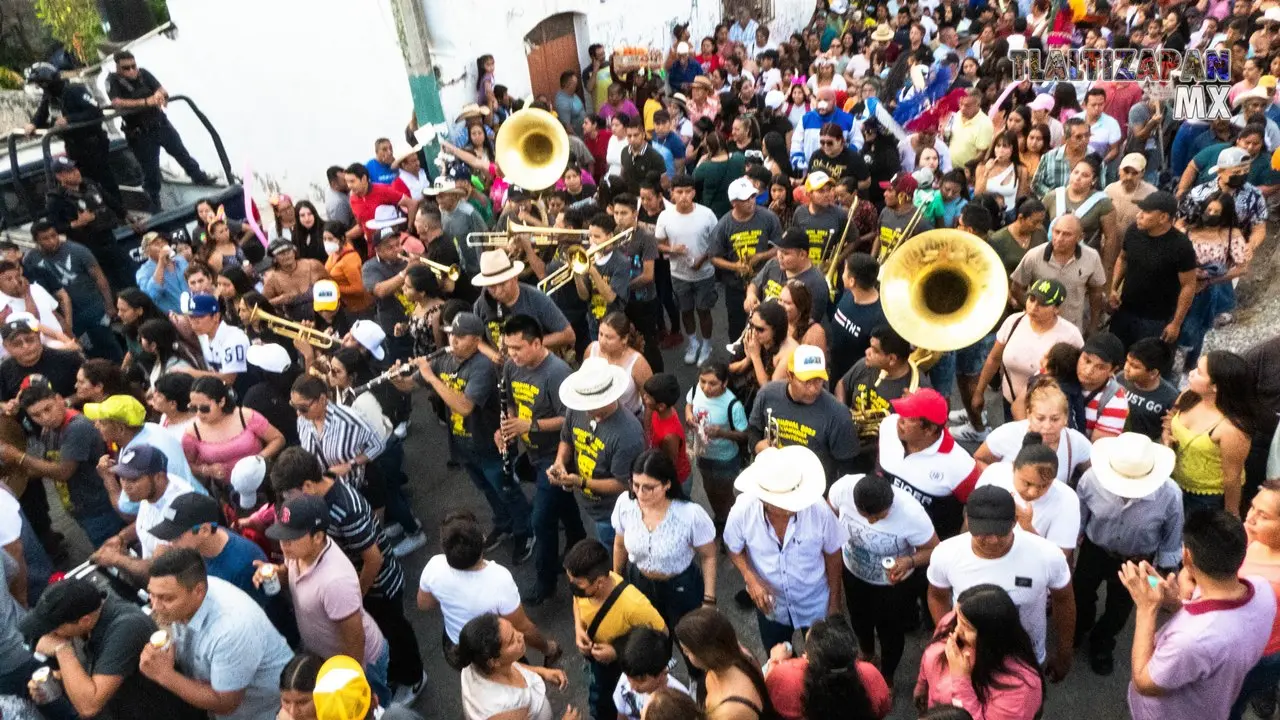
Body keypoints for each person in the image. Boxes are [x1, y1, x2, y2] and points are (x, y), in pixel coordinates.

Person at [269, 448, 426, 700]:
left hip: (378, 584)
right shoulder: (311, 506)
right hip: (354, 583)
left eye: (289, 493)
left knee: (395, 634)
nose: (286, 499)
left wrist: (357, 597)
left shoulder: (345, 507)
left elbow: (374, 559)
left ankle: (414, 678)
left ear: (308, 485)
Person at [1122, 510, 1277, 720]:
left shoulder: (1191, 641)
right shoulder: (1262, 590)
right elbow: (1209, 614)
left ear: (1186, 556)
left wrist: (1146, 608)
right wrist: (1175, 601)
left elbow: (1143, 683)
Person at [417, 311, 534, 561]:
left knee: (506, 489)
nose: (453, 342)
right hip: (463, 445)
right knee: (487, 489)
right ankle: (504, 523)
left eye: (460, 337)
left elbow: (464, 406)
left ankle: (526, 530)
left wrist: (431, 378)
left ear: (476, 339)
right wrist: (400, 376)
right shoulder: (447, 359)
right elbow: (411, 383)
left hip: (489, 445)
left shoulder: (482, 366)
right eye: (451, 336)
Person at [927, 486, 1075, 678]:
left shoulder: (1047, 555)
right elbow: (937, 596)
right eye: (984, 532)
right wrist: (948, 642)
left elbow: (1064, 600)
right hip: (969, 656)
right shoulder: (945, 554)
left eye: (1001, 531)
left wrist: (1064, 652)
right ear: (967, 521)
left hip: (1025, 656)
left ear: (1014, 522)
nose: (993, 540)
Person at [261, 495, 392, 707]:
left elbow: (354, 640)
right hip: (329, 657)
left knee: (373, 708)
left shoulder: (335, 581)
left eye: (291, 538)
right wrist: (275, 574)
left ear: (318, 537)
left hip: (362, 664)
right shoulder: (298, 553)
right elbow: (289, 574)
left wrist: (351, 682)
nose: (284, 545)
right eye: (282, 537)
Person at [1074, 432, 1185, 676]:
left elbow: (1171, 538)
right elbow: (1080, 515)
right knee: (1081, 593)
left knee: (1120, 608)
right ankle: (1079, 626)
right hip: (1095, 549)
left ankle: (1102, 642)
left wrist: (1164, 574)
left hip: (1137, 561)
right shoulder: (1091, 479)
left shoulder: (1170, 495)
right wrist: (1073, 542)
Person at [18, 577, 203, 720]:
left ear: (84, 620)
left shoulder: (126, 627)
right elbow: (91, 674)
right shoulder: (89, 616)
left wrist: (62, 649)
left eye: (56, 627)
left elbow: (89, 705)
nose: (51, 634)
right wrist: (56, 680)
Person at [141, 548, 292, 720]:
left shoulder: (231, 629)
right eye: (152, 595)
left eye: (166, 598)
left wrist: (164, 675)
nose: (155, 606)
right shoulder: (189, 591)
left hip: (262, 712)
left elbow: (225, 703)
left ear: (198, 591)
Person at [496, 315, 582, 604]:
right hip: (532, 451)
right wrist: (507, 426)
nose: (512, 354)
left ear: (537, 342)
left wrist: (528, 426)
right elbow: (509, 401)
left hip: (556, 454)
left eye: (518, 347)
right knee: (563, 502)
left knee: (541, 519)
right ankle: (578, 538)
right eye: (508, 347)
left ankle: (545, 581)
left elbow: (570, 420)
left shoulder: (557, 372)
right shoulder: (512, 366)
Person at [726, 445, 845, 651]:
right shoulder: (742, 511)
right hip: (772, 606)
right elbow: (733, 547)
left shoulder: (819, 511)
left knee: (820, 659)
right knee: (778, 657)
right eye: (785, 503)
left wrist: (835, 602)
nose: (794, 505)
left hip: (815, 602)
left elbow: (834, 554)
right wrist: (750, 577)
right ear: (765, 500)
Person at [828, 471, 938, 689]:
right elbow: (828, 515)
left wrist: (909, 561)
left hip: (893, 585)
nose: (871, 521)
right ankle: (867, 655)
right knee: (859, 619)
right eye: (865, 515)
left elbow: (935, 549)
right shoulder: (842, 489)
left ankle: (887, 676)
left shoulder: (911, 513)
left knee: (891, 633)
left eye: (878, 517)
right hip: (853, 573)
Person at [418, 509, 557, 671]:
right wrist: (547, 647)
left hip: (457, 648)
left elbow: (424, 604)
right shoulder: (499, 579)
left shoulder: (434, 566)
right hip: (496, 650)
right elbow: (523, 627)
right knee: (520, 680)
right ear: (483, 538)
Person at [612, 449, 716, 642]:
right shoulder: (625, 505)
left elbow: (708, 555)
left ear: (667, 484)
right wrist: (617, 582)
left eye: (649, 487)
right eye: (636, 485)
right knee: (651, 640)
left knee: (692, 641)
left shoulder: (689, 514)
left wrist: (709, 600)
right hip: (640, 583)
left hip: (681, 587)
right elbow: (619, 545)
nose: (640, 494)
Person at [3, 381, 122, 549]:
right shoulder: (48, 430)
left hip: (99, 507)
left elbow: (63, 472)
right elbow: (48, 465)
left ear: (59, 399)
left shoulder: (77, 428)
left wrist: (18, 456)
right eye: (36, 415)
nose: (45, 418)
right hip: (79, 507)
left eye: (47, 409)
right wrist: (12, 473)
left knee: (113, 549)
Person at [564, 538, 667, 720]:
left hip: (620, 667)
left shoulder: (634, 605)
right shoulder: (586, 590)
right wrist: (579, 628)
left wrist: (616, 651)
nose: (573, 587)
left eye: (577, 584)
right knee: (599, 701)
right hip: (598, 662)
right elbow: (577, 601)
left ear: (600, 582)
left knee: (613, 703)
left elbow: (661, 635)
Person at [913, 584, 1045, 720]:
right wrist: (921, 686)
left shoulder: (1020, 688)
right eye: (957, 619)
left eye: (966, 627)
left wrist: (961, 680)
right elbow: (931, 654)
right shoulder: (952, 622)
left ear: (991, 636)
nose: (956, 631)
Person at [552, 358, 646, 548]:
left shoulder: (628, 433)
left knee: (613, 554)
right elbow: (566, 439)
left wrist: (580, 482)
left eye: (592, 405)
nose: (586, 411)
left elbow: (623, 484)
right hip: (587, 504)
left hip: (611, 513)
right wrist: (560, 462)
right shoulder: (578, 409)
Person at [105, 51, 212, 210]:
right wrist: (146, 101)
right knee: (151, 172)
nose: (132, 71)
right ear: (118, 68)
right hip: (140, 133)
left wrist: (160, 96)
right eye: (126, 68)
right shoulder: (113, 81)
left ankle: (201, 179)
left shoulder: (144, 74)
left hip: (160, 124)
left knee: (182, 154)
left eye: (133, 66)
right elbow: (117, 102)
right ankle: (154, 204)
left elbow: (161, 89)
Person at [875, 389, 980, 539]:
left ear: (930, 430)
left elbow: (977, 509)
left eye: (909, 419)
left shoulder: (961, 466)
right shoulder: (889, 425)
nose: (900, 421)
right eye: (901, 412)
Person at [747, 345, 857, 484]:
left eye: (818, 380)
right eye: (806, 381)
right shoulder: (767, 394)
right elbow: (753, 429)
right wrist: (757, 445)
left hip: (812, 488)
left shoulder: (839, 415)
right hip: (773, 477)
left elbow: (845, 466)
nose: (813, 389)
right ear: (790, 375)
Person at [1165, 350, 1255, 516]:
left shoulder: (1232, 429)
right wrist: (1166, 435)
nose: (1190, 373)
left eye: (1199, 372)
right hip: (1173, 480)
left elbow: (1232, 477)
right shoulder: (1189, 395)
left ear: (1215, 386)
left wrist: (1231, 514)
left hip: (1207, 498)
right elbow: (1171, 417)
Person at [22, 62, 121, 210]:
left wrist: (70, 119)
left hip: (93, 145)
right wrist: (33, 124)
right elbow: (42, 113)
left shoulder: (75, 90)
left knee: (105, 182)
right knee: (84, 184)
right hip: (73, 147)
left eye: (40, 83)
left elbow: (95, 112)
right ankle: (97, 213)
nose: (40, 87)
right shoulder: (50, 96)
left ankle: (120, 213)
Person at [1109, 191, 1198, 349]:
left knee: (1147, 362)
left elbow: (1189, 285)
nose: (1139, 215)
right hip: (1125, 310)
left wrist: (1176, 323)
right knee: (1115, 355)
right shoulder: (1134, 231)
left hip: (1157, 320)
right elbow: (1123, 258)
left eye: (1146, 212)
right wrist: (1113, 288)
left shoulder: (1181, 246)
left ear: (1163, 218)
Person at [23, 221, 120, 362]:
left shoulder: (77, 250)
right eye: (45, 238)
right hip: (66, 315)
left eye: (54, 235)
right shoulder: (31, 259)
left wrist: (109, 305)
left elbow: (99, 277)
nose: (52, 241)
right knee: (80, 351)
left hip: (92, 308)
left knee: (108, 343)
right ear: (36, 241)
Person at [763, 616, 893, 720]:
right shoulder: (870, 674)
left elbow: (766, 697)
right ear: (854, 655)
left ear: (806, 658)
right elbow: (884, 708)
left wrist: (773, 660)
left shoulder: (784, 676)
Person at [149, 492, 269, 602]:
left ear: (205, 530)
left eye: (176, 537)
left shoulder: (243, 566)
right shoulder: (198, 547)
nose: (170, 543)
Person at [835, 324, 926, 467]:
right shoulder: (866, 365)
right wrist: (843, 413)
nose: (867, 352)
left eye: (875, 350)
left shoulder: (919, 390)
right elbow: (842, 384)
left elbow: (929, 435)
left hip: (883, 459)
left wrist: (913, 411)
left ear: (891, 359)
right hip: (852, 443)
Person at [976, 434, 1082, 556]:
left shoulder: (1067, 500)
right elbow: (971, 519)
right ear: (1014, 467)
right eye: (1027, 483)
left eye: (1044, 486)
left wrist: (1026, 526)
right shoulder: (994, 473)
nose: (1033, 492)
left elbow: (1059, 557)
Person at [456, 613, 574, 720]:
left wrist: (542, 672)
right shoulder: (503, 710)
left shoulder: (478, 660)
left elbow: (511, 665)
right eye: (512, 641)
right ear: (493, 661)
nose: (521, 636)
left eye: (514, 629)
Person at [975, 380, 1092, 485]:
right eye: (1040, 418)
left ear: (1066, 418)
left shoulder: (1075, 442)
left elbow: (1096, 472)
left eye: (1055, 419)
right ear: (1029, 415)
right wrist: (1000, 486)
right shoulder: (1007, 434)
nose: (1047, 426)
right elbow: (979, 460)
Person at [655, 175, 719, 366]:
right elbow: (659, 244)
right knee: (686, 310)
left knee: (704, 310)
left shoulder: (707, 214)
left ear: (694, 193)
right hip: (679, 274)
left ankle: (707, 345)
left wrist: (703, 259)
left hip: (704, 273)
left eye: (688, 191)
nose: (684, 196)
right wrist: (673, 249)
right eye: (679, 192)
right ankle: (693, 343)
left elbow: (716, 243)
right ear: (672, 194)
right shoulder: (665, 216)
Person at [709, 177, 783, 340]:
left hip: (765, 285)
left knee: (768, 327)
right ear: (734, 203)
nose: (751, 202)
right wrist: (735, 266)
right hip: (736, 287)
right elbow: (713, 257)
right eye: (745, 199)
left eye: (752, 196)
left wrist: (760, 256)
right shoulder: (724, 225)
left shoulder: (769, 218)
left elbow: (779, 247)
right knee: (736, 328)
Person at [1009, 215, 1107, 336]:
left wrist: (1093, 325)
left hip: (1071, 328)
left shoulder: (1091, 258)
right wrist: (1033, 309)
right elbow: (1016, 288)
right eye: (1057, 232)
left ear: (1080, 237)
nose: (1059, 238)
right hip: (1037, 328)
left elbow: (1096, 292)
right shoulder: (1034, 256)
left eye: (1067, 234)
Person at [183, 375, 285, 490]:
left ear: (221, 402)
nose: (198, 414)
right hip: (225, 489)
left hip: (261, 481)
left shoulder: (245, 416)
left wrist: (258, 458)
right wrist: (207, 470)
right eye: (193, 408)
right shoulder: (192, 432)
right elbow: (186, 464)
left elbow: (278, 439)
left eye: (204, 408)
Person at [290, 373, 385, 496]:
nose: (298, 413)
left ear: (322, 399)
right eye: (293, 406)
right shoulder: (303, 420)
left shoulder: (350, 420)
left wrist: (350, 464)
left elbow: (378, 445)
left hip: (352, 488)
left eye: (303, 408)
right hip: (323, 491)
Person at [676, 607, 775, 720]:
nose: (684, 653)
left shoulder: (729, 712)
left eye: (687, 651)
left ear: (705, 654)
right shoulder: (739, 653)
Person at [471, 250, 576, 355]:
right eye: (492, 286)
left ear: (515, 277)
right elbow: (476, 339)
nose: (498, 290)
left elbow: (568, 335)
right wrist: (492, 355)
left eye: (503, 284)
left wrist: (529, 345)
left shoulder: (536, 298)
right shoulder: (481, 305)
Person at [1235, 480, 1280, 719]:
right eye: (1252, 507)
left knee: (1230, 702)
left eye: (1263, 515)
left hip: (1260, 654)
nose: (1250, 518)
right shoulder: (1253, 533)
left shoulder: (1273, 583)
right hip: (1245, 643)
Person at [829, 253, 887, 383]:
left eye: (844, 271)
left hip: (852, 380)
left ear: (852, 281)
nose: (842, 275)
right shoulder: (848, 293)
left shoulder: (879, 319)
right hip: (833, 369)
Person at [180, 292, 251, 389]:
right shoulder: (204, 337)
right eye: (191, 317)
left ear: (216, 317)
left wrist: (192, 373)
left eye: (200, 317)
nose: (194, 322)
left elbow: (229, 379)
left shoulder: (234, 338)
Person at [1121, 338, 1180, 441]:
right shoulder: (1119, 379)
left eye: (1135, 366)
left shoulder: (1170, 397)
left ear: (1153, 373)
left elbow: (1169, 430)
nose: (1126, 368)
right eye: (1127, 361)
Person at [1076, 332, 1130, 441]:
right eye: (1087, 360)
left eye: (1100, 367)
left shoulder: (1115, 401)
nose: (1088, 370)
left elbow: (1097, 450)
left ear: (1113, 370)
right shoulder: (1059, 369)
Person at [263, 241, 332, 321]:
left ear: (294, 252)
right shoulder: (272, 279)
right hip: (297, 325)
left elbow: (332, 285)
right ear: (274, 259)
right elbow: (263, 304)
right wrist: (279, 300)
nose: (286, 255)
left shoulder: (312, 265)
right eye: (281, 253)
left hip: (326, 316)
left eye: (288, 251)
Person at [135, 232, 189, 315]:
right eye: (157, 244)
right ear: (147, 251)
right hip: (174, 320)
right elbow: (153, 295)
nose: (162, 246)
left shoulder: (180, 260)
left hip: (197, 312)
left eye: (163, 242)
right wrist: (161, 262)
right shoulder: (143, 272)